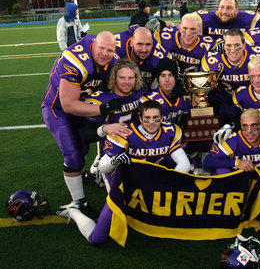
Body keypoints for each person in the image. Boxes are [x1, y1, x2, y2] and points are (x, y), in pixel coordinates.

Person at [56, 100, 191, 246]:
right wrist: (114, 161)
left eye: (156, 118)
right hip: (120, 182)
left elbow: (184, 164)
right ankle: (73, 211)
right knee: (97, 239)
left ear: (162, 118)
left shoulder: (170, 131)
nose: (151, 122)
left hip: (147, 181)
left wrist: (165, 183)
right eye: (147, 118)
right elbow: (102, 166)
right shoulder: (126, 133)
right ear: (140, 118)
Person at [42, 31, 124, 219]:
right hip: (58, 109)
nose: (105, 53)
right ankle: (78, 201)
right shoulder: (76, 61)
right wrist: (103, 109)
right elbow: (68, 104)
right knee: (73, 154)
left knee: (83, 145)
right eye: (102, 48)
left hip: (84, 104)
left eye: (110, 50)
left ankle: (82, 174)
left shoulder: (113, 60)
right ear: (93, 45)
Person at [203, 109, 260, 246]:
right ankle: (229, 208)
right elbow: (208, 161)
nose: (249, 131)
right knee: (222, 170)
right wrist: (235, 162)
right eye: (245, 126)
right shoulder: (234, 140)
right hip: (242, 193)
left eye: (255, 126)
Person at [84, 59, 147, 191]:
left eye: (131, 78)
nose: (127, 82)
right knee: (118, 195)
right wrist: (105, 128)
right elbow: (86, 135)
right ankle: (100, 166)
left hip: (137, 148)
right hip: (112, 152)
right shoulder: (102, 99)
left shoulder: (140, 92)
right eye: (122, 78)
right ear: (114, 78)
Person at [201, 29, 260, 125]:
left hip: (252, 104)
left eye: (237, 45)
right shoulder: (213, 61)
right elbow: (205, 86)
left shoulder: (256, 56)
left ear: (244, 45)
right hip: (226, 105)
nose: (233, 50)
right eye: (229, 46)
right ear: (224, 46)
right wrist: (199, 96)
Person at [140, 58, 191, 125]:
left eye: (170, 75)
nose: (167, 80)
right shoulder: (148, 100)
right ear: (158, 79)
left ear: (175, 78)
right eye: (163, 76)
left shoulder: (185, 96)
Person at [194, 0, 260, 42]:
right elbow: (186, 21)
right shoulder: (206, 18)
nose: (224, 12)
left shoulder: (249, 19)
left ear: (236, 10)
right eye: (222, 7)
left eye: (229, 8)